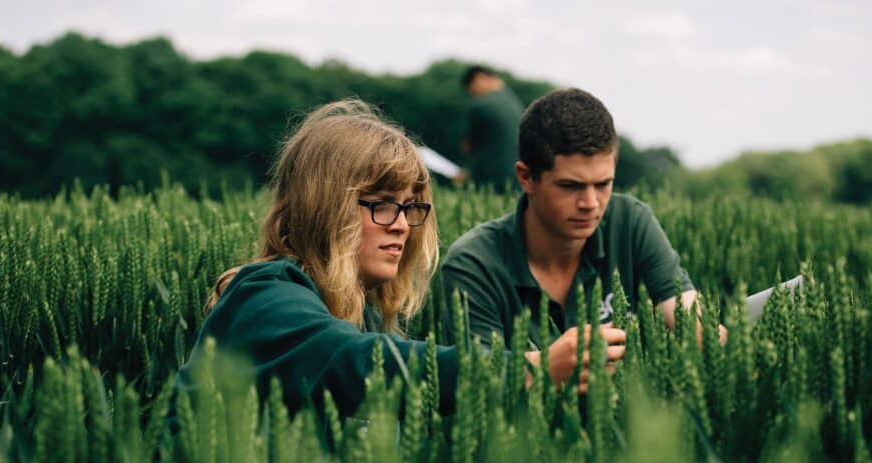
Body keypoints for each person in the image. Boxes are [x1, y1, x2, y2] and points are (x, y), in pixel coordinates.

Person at [177, 99, 615, 418]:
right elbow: (360, 364)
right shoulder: (265, 297)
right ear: (323, 206)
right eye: (382, 204)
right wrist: (529, 368)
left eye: (411, 207)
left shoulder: (359, 316)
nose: (403, 225)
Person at [441, 88, 725, 359]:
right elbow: (479, 379)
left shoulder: (630, 222)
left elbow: (688, 315)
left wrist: (739, 347)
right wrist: (551, 368)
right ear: (526, 177)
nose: (590, 203)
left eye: (603, 184)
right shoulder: (473, 262)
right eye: (570, 186)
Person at [455, 65, 524, 193]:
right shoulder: (516, 103)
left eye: (471, 90)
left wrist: (466, 173)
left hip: (489, 183)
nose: (473, 95)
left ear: (479, 79)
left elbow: (467, 148)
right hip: (517, 182)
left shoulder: (480, 106)